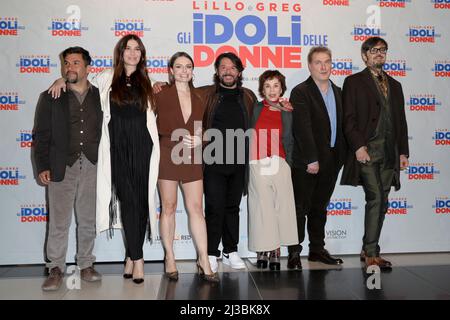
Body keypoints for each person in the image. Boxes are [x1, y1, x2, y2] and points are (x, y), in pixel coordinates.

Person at [48, 35, 160, 283]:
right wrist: (60, 78)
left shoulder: (148, 81)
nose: (132, 53)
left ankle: (133, 257)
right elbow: (79, 81)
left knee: (140, 203)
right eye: (127, 49)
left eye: (137, 49)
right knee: (128, 201)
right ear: (120, 53)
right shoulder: (106, 78)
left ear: (142, 54)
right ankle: (137, 258)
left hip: (143, 148)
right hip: (116, 150)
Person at [34, 46, 103, 291]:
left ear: (87, 67)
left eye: (75, 63)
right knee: (59, 222)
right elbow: (40, 135)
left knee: (87, 220)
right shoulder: (50, 96)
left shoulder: (101, 94)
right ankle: (55, 268)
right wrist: (43, 165)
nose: (69, 67)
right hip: (61, 165)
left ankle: (86, 264)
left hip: (93, 165)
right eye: (66, 63)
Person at [341, 37, 409, 270]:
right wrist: (358, 146)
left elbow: (401, 121)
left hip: (390, 152)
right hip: (368, 151)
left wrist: (403, 152)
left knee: (384, 202)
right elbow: (348, 119)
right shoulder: (353, 82)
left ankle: (368, 247)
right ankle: (371, 253)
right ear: (364, 55)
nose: (379, 54)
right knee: (376, 198)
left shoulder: (396, 85)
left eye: (383, 50)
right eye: (373, 50)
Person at [155, 52, 218, 282]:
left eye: (188, 66)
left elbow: (206, 126)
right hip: (167, 152)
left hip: (192, 154)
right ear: (171, 70)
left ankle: (203, 259)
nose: (184, 71)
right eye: (179, 66)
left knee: (196, 209)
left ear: (193, 70)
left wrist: (202, 138)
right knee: (169, 207)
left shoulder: (201, 96)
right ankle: (169, 257)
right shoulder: (159, 94)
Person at [288, 46, 347, 270]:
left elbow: (343, 128)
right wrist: (312, 159)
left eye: (327, 62)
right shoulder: (301, 91)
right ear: (309, 66)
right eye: (318, 62)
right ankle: (294, 252)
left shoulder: (340, 92)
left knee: (320, 207)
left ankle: (317, 249)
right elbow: (302, 129)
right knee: (300, 208)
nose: (324, 66)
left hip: (332, 161)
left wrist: (339, 158)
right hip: (307, 162)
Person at [199, 52, 257, 272]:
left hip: (239, 161)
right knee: (214, 207)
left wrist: (281, 105)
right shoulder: (206, 94)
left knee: (233, 207)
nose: (228, 71)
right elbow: (181, 91)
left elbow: (263, 113)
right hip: (213, 160)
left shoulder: (249, 96)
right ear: (217, 71)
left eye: (233, 67)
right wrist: (160, 86)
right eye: (223, 67)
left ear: (239, 72)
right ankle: (211, 252)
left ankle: (231, 251)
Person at [247, 70, 298, 270]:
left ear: (282, 88)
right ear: (262, 89)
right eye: (267, 86)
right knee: (262, 209)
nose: (272, 90)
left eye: (276, 85)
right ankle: (262, 250)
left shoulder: (288, 110)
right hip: (257, 161)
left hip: (280, 163)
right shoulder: (255, 108)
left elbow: (293, 138)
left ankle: (276, 251)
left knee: (280, 209)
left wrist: (289, 164)